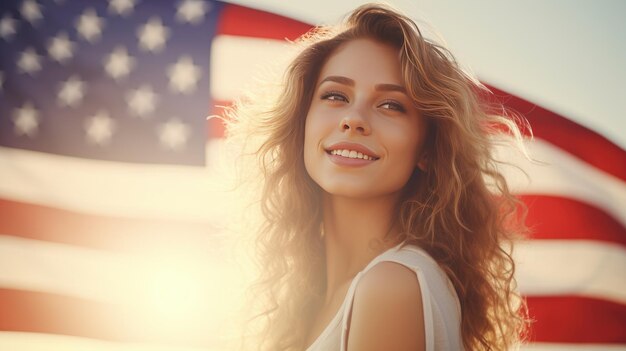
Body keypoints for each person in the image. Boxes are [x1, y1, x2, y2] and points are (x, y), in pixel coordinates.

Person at [226, 3, 528, 351]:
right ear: (302, 123)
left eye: (390, 105)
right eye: (335, 95)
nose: (354, 119)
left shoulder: (391, 285)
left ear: (428, 149)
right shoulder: (313, 297)